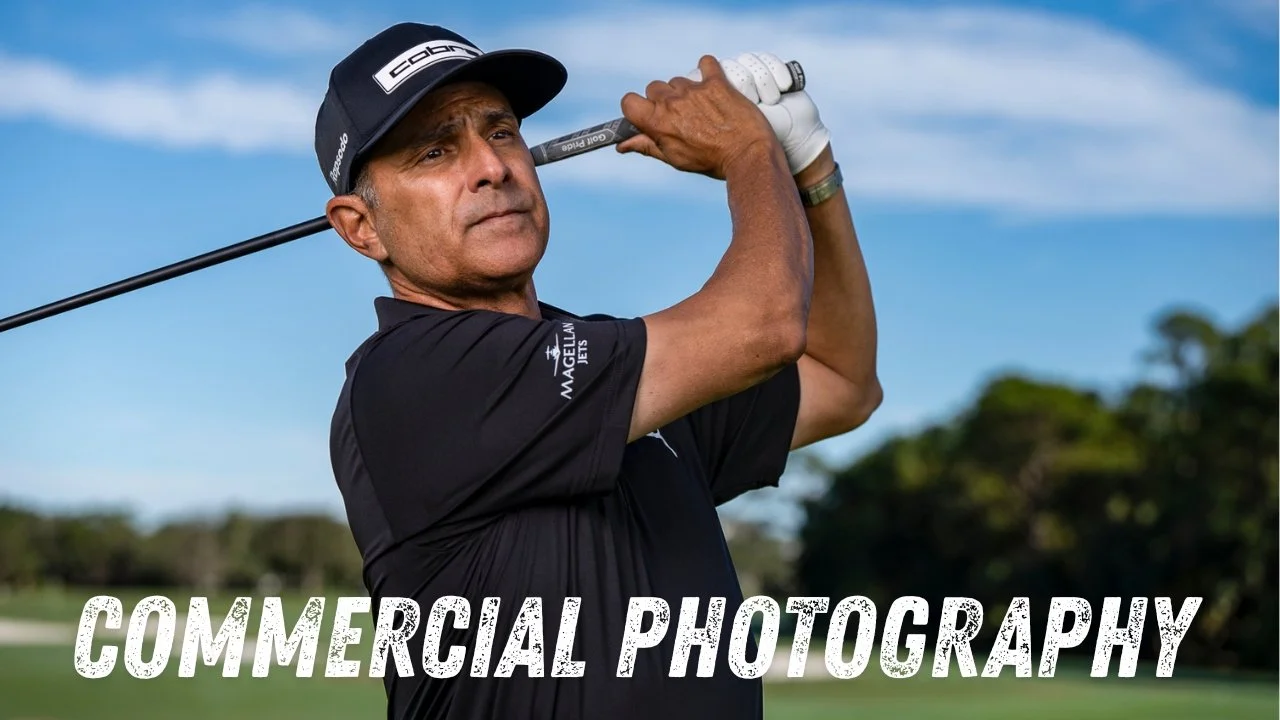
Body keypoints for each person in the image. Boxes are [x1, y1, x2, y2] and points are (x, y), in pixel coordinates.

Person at [318, 21, 880, 720]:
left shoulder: (614, 369)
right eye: (435, 151)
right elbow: (764, 328)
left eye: (500, 132)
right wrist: (747, 149)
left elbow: (839, 377)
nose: (492, 168)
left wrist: (810, 168)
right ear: (359, 226)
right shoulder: (410, 376)